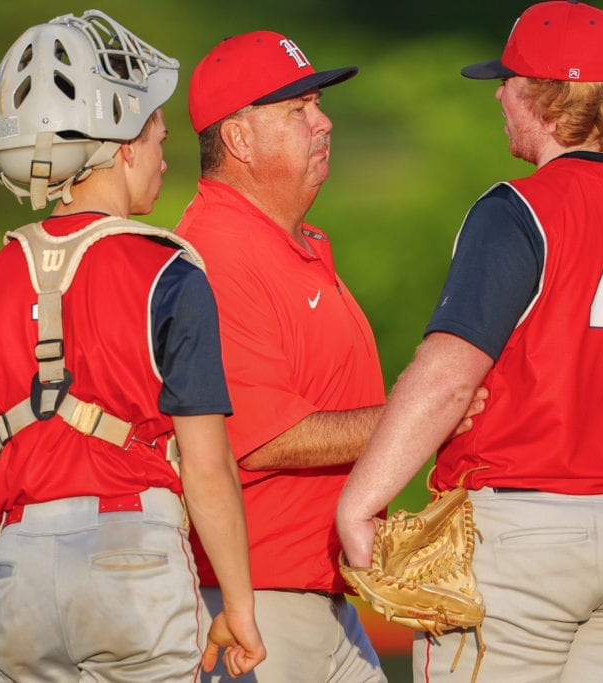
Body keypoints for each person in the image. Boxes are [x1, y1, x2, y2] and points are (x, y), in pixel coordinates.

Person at [336, 2, 603, 681]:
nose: (499, 93)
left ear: (549, 97)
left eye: (510, 80)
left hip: (532, 531)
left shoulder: (520, 209)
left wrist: (361, 501)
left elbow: (447, 376)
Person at [0, 10, 264, 681]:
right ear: (120, 146)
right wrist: (238, 602)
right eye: (157, 137)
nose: (165, 158)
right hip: (131, 560)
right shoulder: (168, 270)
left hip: (19, 568)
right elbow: (205, 467)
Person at [174, 30, 485, 683]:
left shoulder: (296, 242)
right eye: (298, 109)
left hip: (320, 601)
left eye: (316, 103)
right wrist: (421, 414)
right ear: (238, 138)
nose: (324, 122)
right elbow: (259, 438)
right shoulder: (216, 253)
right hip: (253, 606)